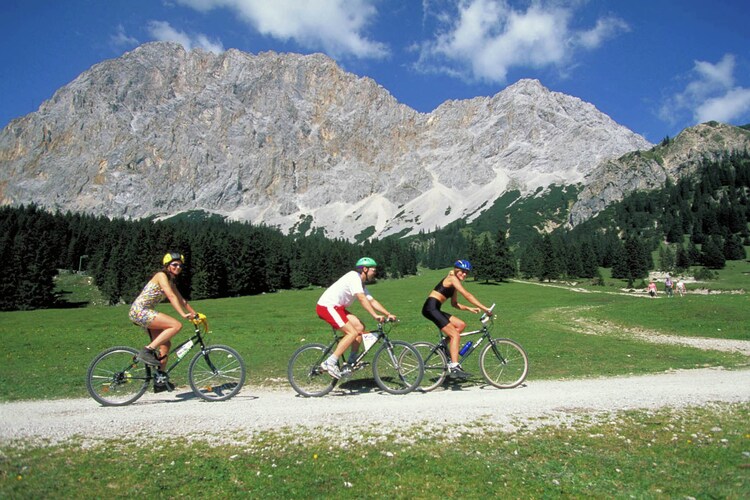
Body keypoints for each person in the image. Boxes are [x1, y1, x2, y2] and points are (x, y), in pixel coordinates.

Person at [316, 257, 396, 379]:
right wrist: (374, 315)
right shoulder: (353, 277)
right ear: (365, 269)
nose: (375, 272)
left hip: (338, 308)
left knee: (359, 327)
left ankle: (351, 362)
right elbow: (362, 299)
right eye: (373, 269)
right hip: (327, 306)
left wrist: (388, 313)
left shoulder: (361, 284)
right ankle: (329, 362)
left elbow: (372, 300)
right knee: (352, 333)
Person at [129, 252, 197, 391]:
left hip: (145, 312)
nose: (178, 267)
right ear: (167, 265)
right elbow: (171, 296)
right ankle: (146, 351)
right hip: (140, 311)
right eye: (174, 264)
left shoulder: (170, 280)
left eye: (180, 265)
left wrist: (195, 314)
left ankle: (159, 381)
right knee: (176, 325)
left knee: (165, 345)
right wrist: (183, 315)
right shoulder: (161, 276)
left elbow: (181, 299)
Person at [422, 260, 493, 379]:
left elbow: (454, 304)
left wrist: (469, 309)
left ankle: (443, 345)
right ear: (456, 270)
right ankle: (455, 367)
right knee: (455, 335)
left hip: (434, 308)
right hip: (431, 308)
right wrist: (484, 308)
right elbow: (467, 295)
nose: (464, 274)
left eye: (466, 273)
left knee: (461, 325)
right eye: (462, 271)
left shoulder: (454, 283)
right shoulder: (452, 278)